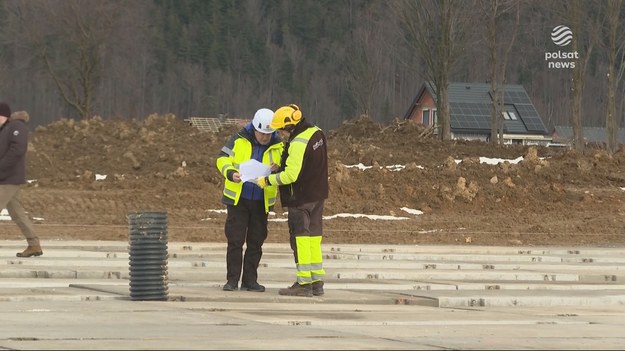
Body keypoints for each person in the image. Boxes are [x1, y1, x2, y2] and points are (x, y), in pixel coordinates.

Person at [254, 104, 328, 297]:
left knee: (301, 239)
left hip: (300, 197)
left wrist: (267, 180)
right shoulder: (317, 133)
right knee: (314, 237)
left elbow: (291, 176)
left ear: (290, 126)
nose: (280, 134)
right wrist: (281, 166)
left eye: (281, 130)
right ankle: (316, 281)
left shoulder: (297, 143)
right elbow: (308, 164)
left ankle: (304, 283)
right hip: (317, 194)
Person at [215, 108, 283, 292]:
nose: (265, 137)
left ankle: (250, 281)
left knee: (256, 242)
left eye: (269, 134)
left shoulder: (280, 146)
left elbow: (285, 168)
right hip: (238, 199)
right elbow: (222, 159)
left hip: (261, 201)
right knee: (235, 241)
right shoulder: (237, 139)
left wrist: (277, 168)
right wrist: (230, 173)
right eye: (262, 133)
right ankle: (232, 280)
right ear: (254, 128)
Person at [0, 104, 42, 257]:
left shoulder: (17, 126)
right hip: (6, 177)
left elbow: (17, 150)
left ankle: (34, 244)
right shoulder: (5, 129)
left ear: (4, 115)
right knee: (17, 213)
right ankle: (34, 244)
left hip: (9, 178)